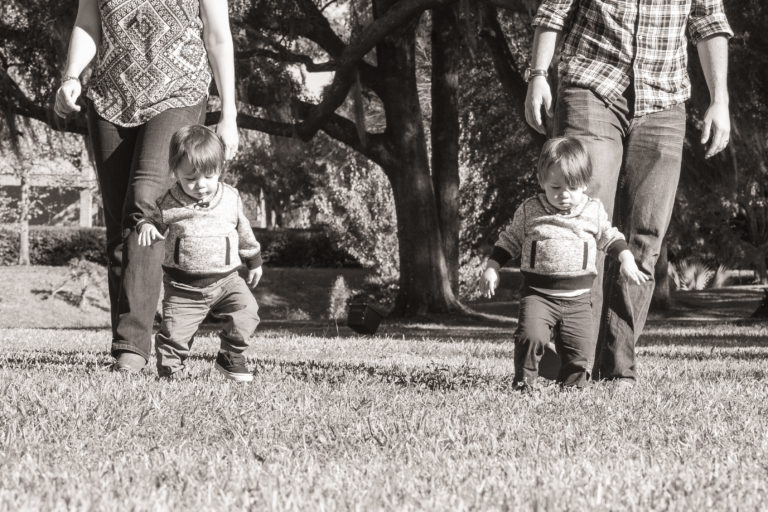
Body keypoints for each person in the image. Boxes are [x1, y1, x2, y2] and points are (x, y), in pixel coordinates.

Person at [524, 0, 733, 384]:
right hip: (592, 86)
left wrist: (720, 100)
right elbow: (553, 10)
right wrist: (538, 74)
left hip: (664, 101)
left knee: (645, 239)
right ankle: (576, 365)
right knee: (583, 223)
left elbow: (708, 21)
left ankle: (618, 369)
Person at [53, 0, 239, 372]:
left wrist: (229, 112)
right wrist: (71, 76)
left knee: (144, 203)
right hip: (110, 98)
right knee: (120, 220)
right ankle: (128, 341)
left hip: (178, 91)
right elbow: (88, 22)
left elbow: (217, 36)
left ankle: (131, 352)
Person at [481, 137, 648, 389]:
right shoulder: (531, 210)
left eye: (572, 187)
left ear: (585, 183)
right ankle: (524, 385)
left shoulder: (592, 210)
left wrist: (626, 259)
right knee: (530, 338)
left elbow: (610, 236)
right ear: (542, 182)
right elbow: (509, 240)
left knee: (579, 351)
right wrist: (492, 267)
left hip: (579, 300)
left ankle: (573, 390)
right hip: (538, 296)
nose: (564, 195)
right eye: (555, 187)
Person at [137, 125, 262, 381]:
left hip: (227, 281)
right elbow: (150, 218)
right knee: (174, 335)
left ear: (220, 169)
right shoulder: (170, 201)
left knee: (247, 312)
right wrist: (147, 226)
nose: (200, 186)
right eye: (190, 179)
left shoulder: (230, 198)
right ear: (176, 173)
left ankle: (230, 356)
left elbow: (243, 230)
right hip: (184, 288)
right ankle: (170, 374)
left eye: (208, 176)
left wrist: (253, 260)